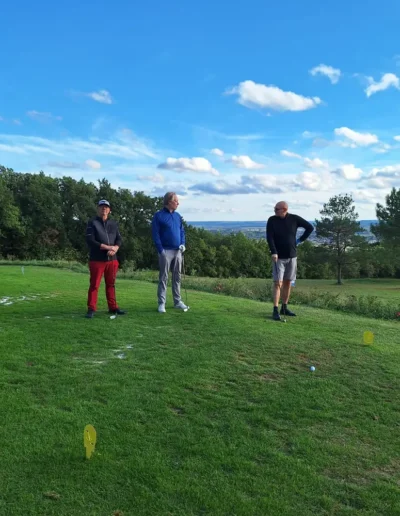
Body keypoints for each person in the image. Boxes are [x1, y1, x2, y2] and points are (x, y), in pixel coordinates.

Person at [266, 201, 314, 321]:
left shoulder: (294, 218)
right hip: (278, 257)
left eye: (277, 209)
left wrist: (300, 240)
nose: (274, 210)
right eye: (274, 209)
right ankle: (275, 310)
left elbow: (310, 227)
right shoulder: (272, 220)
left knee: (288, 282)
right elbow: (269, 237)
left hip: (292, 256)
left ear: (284, 209)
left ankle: (284, 307)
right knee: (278, 283)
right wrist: (274, 251)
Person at [85, 199, 126, 319]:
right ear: (98, 209)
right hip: (97, 259)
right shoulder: (92, 223)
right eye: (101, 207)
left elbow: (119, 239)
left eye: (106, 207)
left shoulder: (113, 223)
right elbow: (90, 240)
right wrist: (107, 247)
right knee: (94, 285)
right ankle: (91, 308)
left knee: (111, 284)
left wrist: (115, 248)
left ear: (109, 210)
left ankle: (113, 307)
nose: (104, 209)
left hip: (112, 259)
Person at [151, 192, 188, 313]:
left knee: (177, 277)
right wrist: (160, 250)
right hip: (165, 251)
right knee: (164, 277)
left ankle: (177, 301)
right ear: (169, 202)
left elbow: (182, 232)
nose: (178, 203)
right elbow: (155, 234)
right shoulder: (159, 216)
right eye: (176, 201)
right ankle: (162, 303)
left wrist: (183, 244)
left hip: (178, 250)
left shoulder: (177, 216)